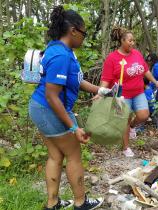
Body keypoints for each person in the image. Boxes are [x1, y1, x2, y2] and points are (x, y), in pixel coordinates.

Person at [28, 6, 105, 210]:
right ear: (73, 31)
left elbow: (77, 81)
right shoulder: (61, 55)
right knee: (73, 155)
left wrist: (101, 90)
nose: (84, 38)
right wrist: (73, 127)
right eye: (84, 33)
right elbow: (52, 96)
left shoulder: (59, 49)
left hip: (40, 108)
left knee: (56, 155)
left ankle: (53, 203)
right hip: (48, 108)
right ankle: (81, 202)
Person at [100, 27, 158, 157]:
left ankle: (133, 127)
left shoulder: (137, 54)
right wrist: (100, 92)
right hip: (121, 95)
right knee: (125, 121)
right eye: (130, 40)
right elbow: (106, 79)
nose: (132, 43)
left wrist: (155, 82)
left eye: (133, 40)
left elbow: (145, 70)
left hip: (138, 92)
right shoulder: (112, 58)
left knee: (144, 115)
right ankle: (126, 148)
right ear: (122, 41)